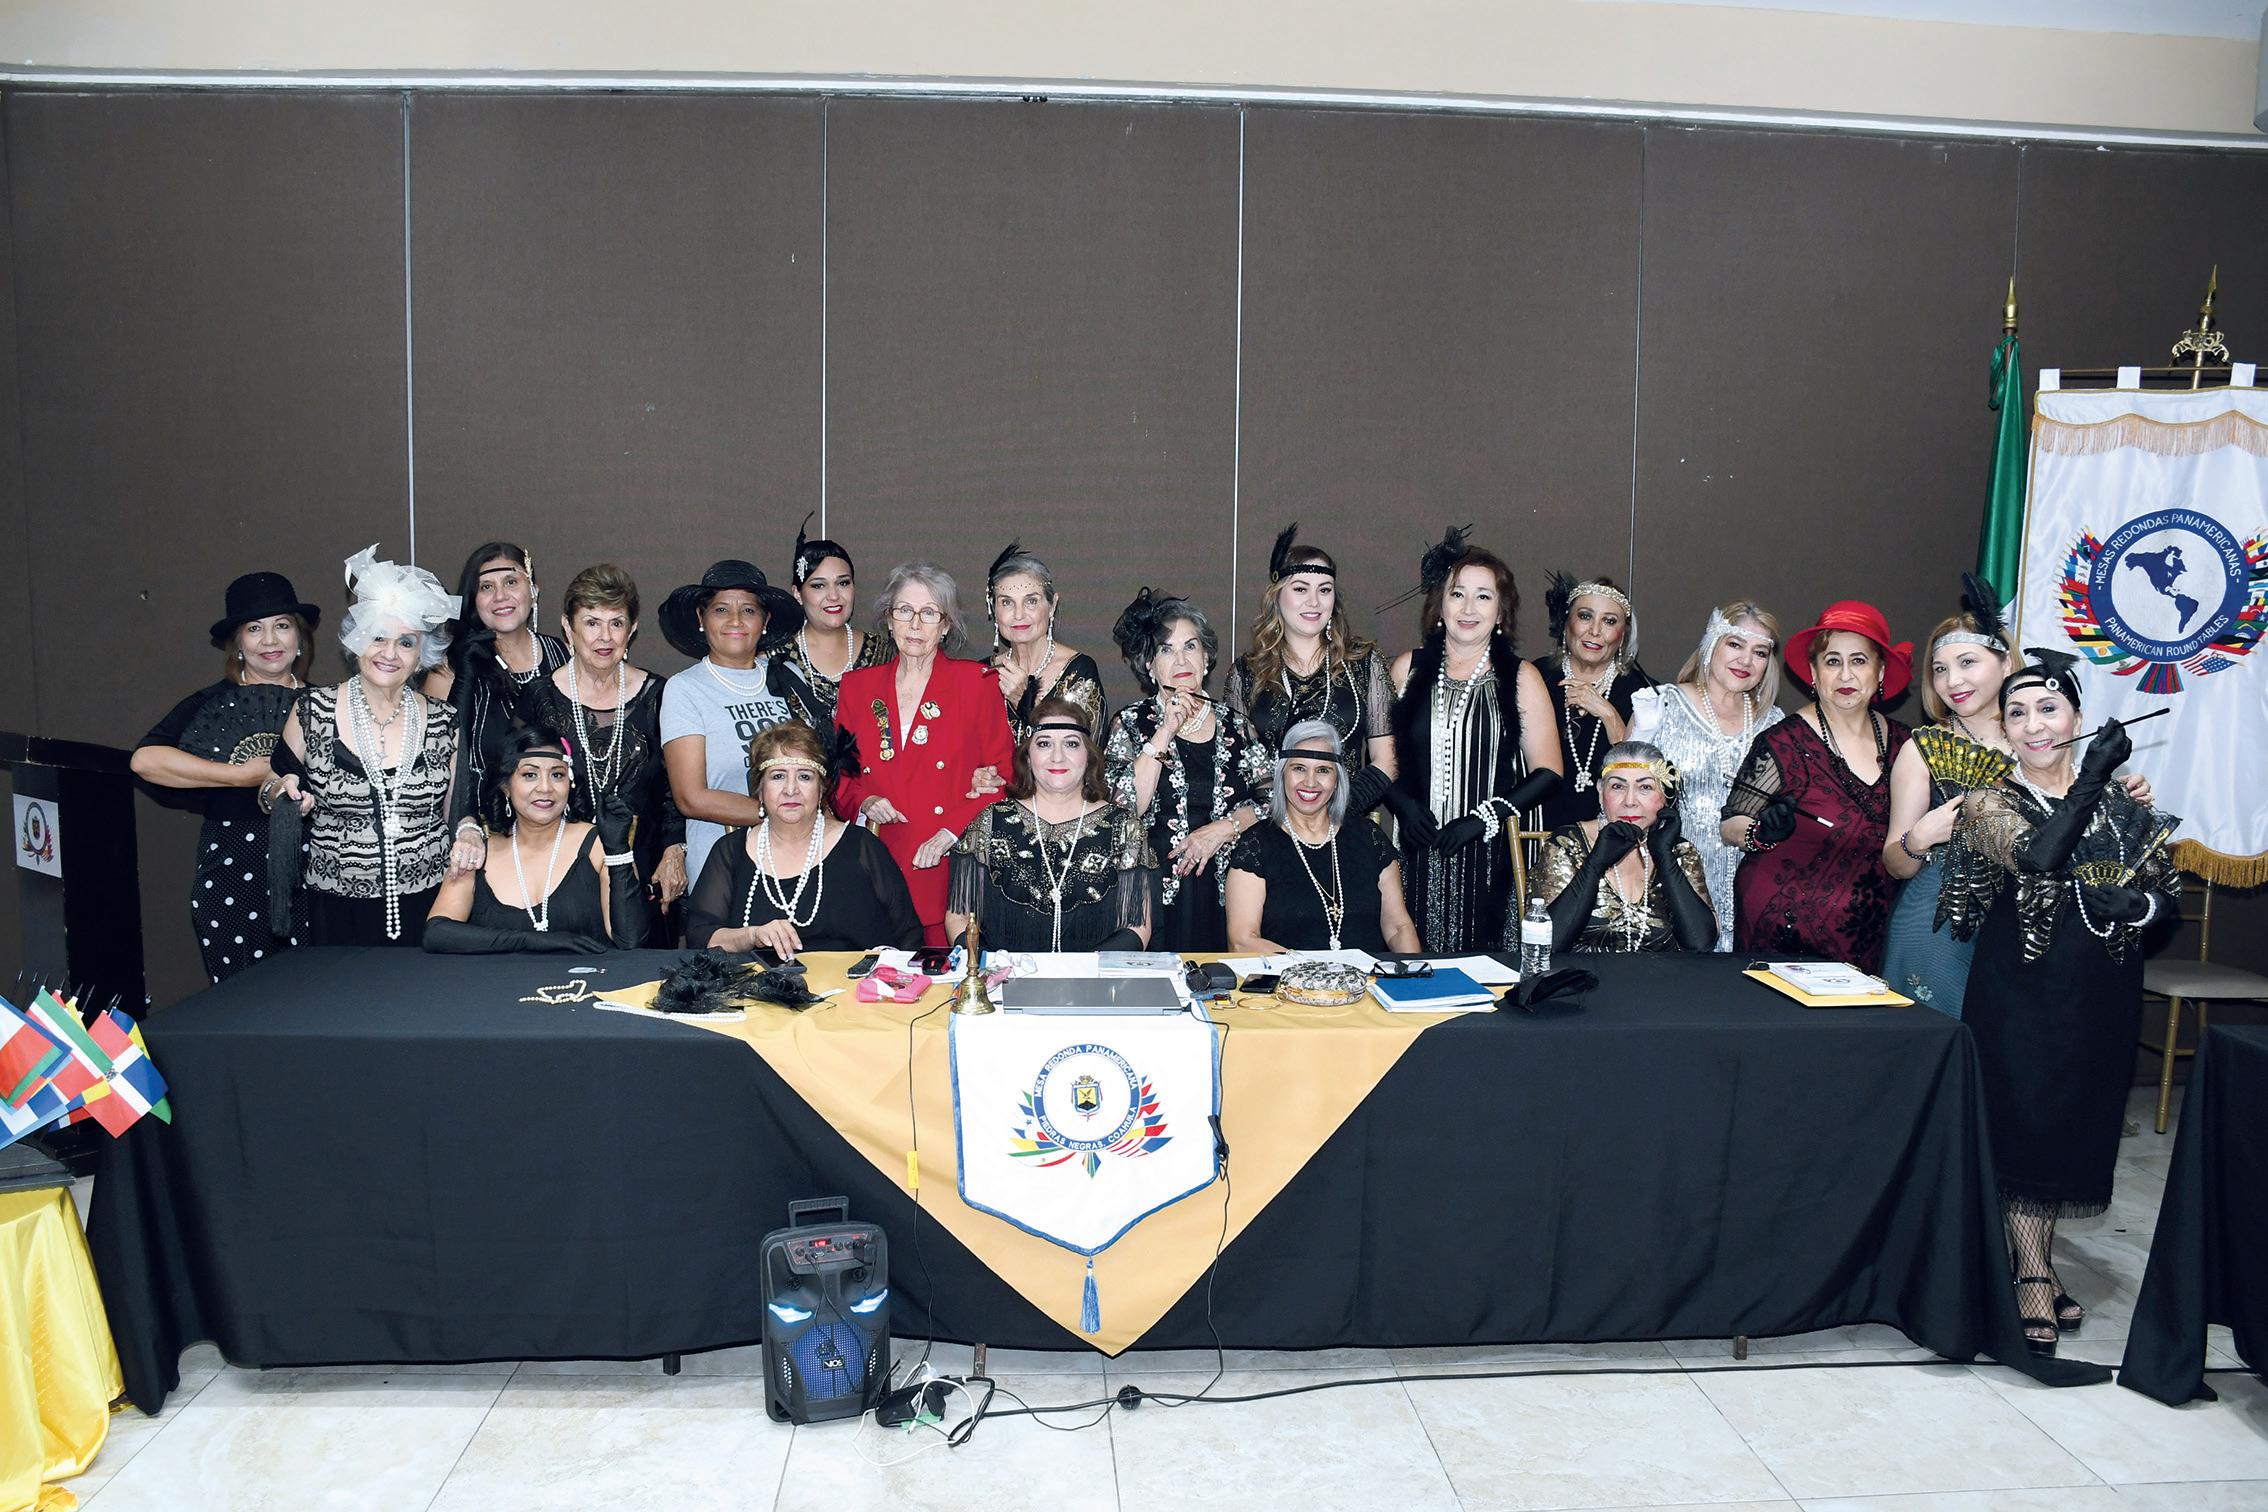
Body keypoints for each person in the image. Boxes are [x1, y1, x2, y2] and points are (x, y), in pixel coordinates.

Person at [1939, 654, 2178, 1355]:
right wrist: (2094, 778)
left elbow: (2168, 892)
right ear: (2004, 730)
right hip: (2020, 993)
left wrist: (2141, 906)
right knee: (2026, 1122)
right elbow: (2039, 857)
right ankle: (2034, 1274)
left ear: (2078, 717)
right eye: (2016, 713)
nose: (2034, 724)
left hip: (2101, 994)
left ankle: (2030, 1257)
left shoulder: (2124, 805)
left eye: (2049, 708)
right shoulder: (1988, 803)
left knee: (2074, 1123)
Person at [1882, 579, 2156, 1017]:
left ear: (2006, 662)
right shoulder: (1921, 751)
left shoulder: (2039, 739)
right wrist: (1918, 838)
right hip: (1939, 923)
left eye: (1967, 662)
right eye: (1940, 669)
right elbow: (1895, 865)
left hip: (2029, 929)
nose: (1952, 680)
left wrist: (2116, 799)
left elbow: (2070, 825)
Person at [266, 546, 462, 946]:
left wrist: (471, 832)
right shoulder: (312, 711)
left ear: (422, 655)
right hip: (336, 907)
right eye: (377, 637)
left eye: (406, 643)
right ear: (356, 641)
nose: (390, 653)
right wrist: (280, 794)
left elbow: (456, 815)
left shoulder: (445, 722)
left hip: (430, 904)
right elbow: (271, 785)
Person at [132, 571, 321, 980]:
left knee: (314, 997)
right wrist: (239, 775)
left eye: (281, 626)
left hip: (315, 874)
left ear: (299, 638)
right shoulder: (210, 703)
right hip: (234, 872)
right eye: (254, 629)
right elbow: (145, 761)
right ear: (237, 644)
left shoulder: (326, 704)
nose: (269, 641)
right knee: (242, 1000)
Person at [1387, 530, 1564, 952]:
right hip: (1414, 851)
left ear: (1501, 612)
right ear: (1440, 606)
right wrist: (1404, 807)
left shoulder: (1521, 677)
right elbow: (1379, 761)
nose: (1468, 608)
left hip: (1492, 855)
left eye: (1483, 597)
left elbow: (1549, 771)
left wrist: (1483, 819)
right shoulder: (1406, 668)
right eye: (1458, 594)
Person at [1721, 600, 1913, 973]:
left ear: (1880, 671)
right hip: (1781, 932)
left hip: (1867, 935)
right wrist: (1761, 832)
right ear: (1814, 672)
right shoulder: (1783, 741)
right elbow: (1731, 823)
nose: (1845, 675)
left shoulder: (1905, 744)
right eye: (1832, 661)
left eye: (1859, 661)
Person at [832, 562, 1017, 944]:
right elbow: (839, 776)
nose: (915, 624)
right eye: (905, 611)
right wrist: (864, 801)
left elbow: (1004, 776)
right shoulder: (856, 687)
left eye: (929, 613)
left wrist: (950, 832)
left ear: (946, 626)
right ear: (889, 619)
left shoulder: (976, 683)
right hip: (874, 865)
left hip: (946, 864)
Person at [1104, 589, 1274, 951]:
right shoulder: (1131, 723)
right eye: (1166, 650)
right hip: (1152, 894)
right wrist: (1165, 731)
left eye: (1191, 646)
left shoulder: (1237, 726)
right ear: (1149, 666)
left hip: (1232, 892)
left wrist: (1225, 828)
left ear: (1207, 658)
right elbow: (1123, 808)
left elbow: (1274, 799)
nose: (1181, 659)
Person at [524, 565, 688, 914]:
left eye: (616, 623)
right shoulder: (538, 698)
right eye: (591, 623)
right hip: (559, 873)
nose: (605, 637)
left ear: (632, 630)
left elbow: (675, 787)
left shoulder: (661, 695)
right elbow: (519, 787)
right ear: (568, 627)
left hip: (647, 872)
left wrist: (675, 850)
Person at [682, 722, 923, 956]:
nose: (791, 790)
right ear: (759, 789)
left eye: (805, 777)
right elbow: (701, 938)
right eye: (778, 776)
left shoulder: (862, 847)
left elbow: (909, 938)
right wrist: (752, 935)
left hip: (854, 983)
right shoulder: (730, 851)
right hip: (757, 983)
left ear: (821, 789)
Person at [1627, 600, 1787, 949]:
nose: (1746, 661)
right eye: (1735, 644)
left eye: (1759, 652)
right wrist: (1639, 734)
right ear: (1711, 643)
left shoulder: (1775, 723)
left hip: (1752, 893)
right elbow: (1622, 796)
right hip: (1671, 889)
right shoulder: (1662, 705)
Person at [1225, 523, 1402, 820]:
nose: (1314, 601)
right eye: (1300, 589)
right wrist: (1285, 820)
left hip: (1345, 823)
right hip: (1272, 827)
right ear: (1277, 596)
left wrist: (1334, 813)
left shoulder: (1364, 661)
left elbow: (1388, 759)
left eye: (1324, 590)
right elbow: (1239, 766)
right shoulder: (1245, 673)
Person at [424, 726, 653, 953]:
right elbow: (437, 932)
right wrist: (529, 940)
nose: (545, 788)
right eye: (530, 775)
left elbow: (630, 940)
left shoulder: (598, 845)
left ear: (570, 782)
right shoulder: (479, 851)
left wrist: (618, 850)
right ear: (506, 786)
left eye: (557, 775)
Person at [948, 699, 1154, 951]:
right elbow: (959, 917)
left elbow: (1136, 926)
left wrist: (1087, 971)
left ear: (1089, 756)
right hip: (1003, 974)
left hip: (1096, 975)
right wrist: (989, 966)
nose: (1057, 757)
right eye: (1044, 744)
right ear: (1028, 756)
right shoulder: (990, 822)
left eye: (1071, 744)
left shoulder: (1124, 828)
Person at [659, 559, 803, 884]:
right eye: (721, 609)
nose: (735, 620)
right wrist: (782, 812)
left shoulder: (788, 677)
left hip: (796, 860)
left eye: (749, 610)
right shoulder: (684, 689)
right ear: (701, 618)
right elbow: (691, 797)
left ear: (765, 621)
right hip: (724, 870)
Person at [1226, 721, 1423, 954]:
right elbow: (1242, 941)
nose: (1310, 782)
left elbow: (1399, 927)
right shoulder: (1256, 845)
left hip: (1367, 977)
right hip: (1291, 976)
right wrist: (1316, 969)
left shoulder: (1369, 838)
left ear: (1337, 779)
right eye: (1299, 768)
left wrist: (1415, 971)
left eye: (1323, 770)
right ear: (1282, 774)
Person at [425, 542, 568, 822]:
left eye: (511, 582)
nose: (500, 596)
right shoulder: (451, 667)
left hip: (556, 829)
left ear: (533, 591)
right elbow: (434, 759)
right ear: (473, 600)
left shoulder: (562, 655)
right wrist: (464, 680)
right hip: (476, 828)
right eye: (486, 587)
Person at [1534, 742, 1717, 953]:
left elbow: (1701, 944)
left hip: (1662, 974)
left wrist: (1665, 858)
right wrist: (1594, 865)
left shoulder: (1679, 851)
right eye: (1618, 787)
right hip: (1581, 973)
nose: (1630, 801)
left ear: (1666, 796)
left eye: (1645, 787)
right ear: (1601, 791)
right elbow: (1546, 944)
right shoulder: (1568, 844)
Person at [1534, 571, 1654, 829]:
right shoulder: (1535, 678)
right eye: (1585, 616)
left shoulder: (1644, 695)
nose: (1595, 631)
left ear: (1623, 635)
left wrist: (1608, 715)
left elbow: (1646, 783)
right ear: (1566, 623)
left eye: (1609, 621)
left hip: (1611, 836)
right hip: (1535, 832)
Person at [770, 513, 889, 730]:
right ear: (797, 593)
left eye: (843, 583)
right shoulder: (775, 656)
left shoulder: (883, 652)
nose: (833, 596)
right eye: (818, 585)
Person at [984, 542, 1105, 738]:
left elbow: (1085, 750)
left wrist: (1026, 701)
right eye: (1007, 602)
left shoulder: (1079, 672)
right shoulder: (983, 674)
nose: (1019, 614)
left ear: (1052, 606)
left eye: (1031, 601)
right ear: (993, 610)